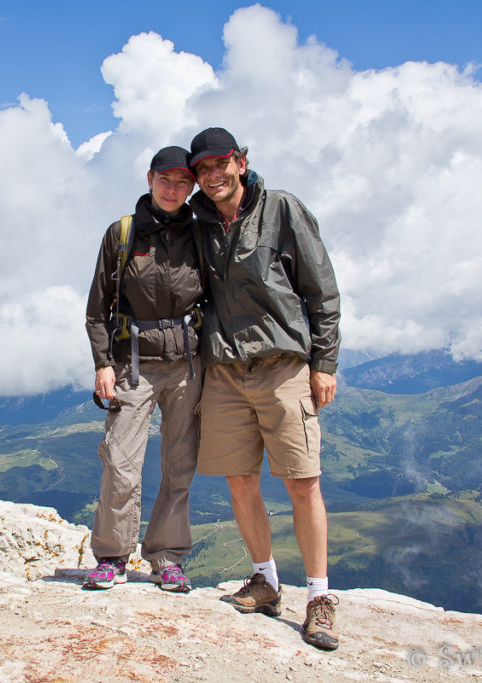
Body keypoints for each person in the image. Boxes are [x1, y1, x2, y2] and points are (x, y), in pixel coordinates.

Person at [187, 127, 342, 650]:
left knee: (302, 481)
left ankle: (319, 599)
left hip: (282, 367)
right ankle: (267, 582)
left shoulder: (281, 209)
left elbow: (321, 289)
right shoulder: (199, 222)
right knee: (239, 479)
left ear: (241, 161)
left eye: (220, 164)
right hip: (226, 372)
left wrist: (325, 363)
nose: (213, 176)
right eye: (202, 169)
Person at [82, 146, 204, 593]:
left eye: (182, 183)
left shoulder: (200, 234)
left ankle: (167, 557)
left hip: (189, 365)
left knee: (180, 462)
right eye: (165, 180)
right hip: (133, 363)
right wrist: (102, 364)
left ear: (191, 188)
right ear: (150, 178)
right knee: (120, 459)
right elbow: (97, 310)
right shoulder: (122, 234)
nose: (173, 190)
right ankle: (112, 556)